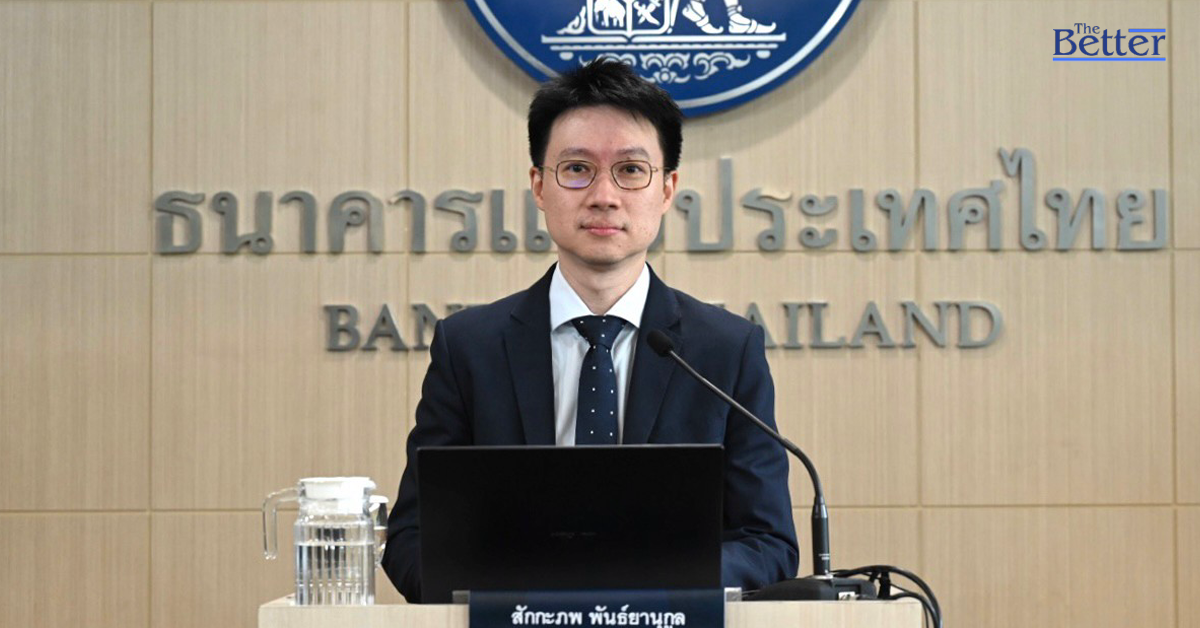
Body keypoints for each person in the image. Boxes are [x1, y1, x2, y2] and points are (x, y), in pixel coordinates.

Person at [381, 59, 797, 602]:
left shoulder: (725, 350)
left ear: (667, 189)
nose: (604, 194)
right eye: (577, 169)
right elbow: (412, 538)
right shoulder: (469, 348)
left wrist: (652, 586)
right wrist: (512, 593)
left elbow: (767, 541)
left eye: (631, 170)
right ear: (539, 186)